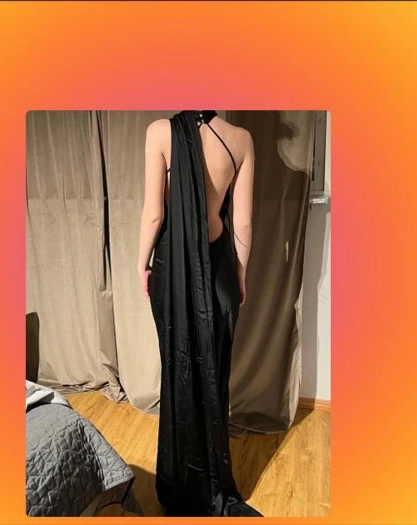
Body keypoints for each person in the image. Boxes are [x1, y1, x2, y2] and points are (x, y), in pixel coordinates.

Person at [136, 110, 260, 517]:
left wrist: (141, 263)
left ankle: (180, 483)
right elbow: (243, 224)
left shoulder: (160, 132)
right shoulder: (241, 140)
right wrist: (239, 275)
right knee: (214, 376)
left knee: (179, 370)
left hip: (172, 269)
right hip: (220, 269)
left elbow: (154, 213)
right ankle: (213, 480)